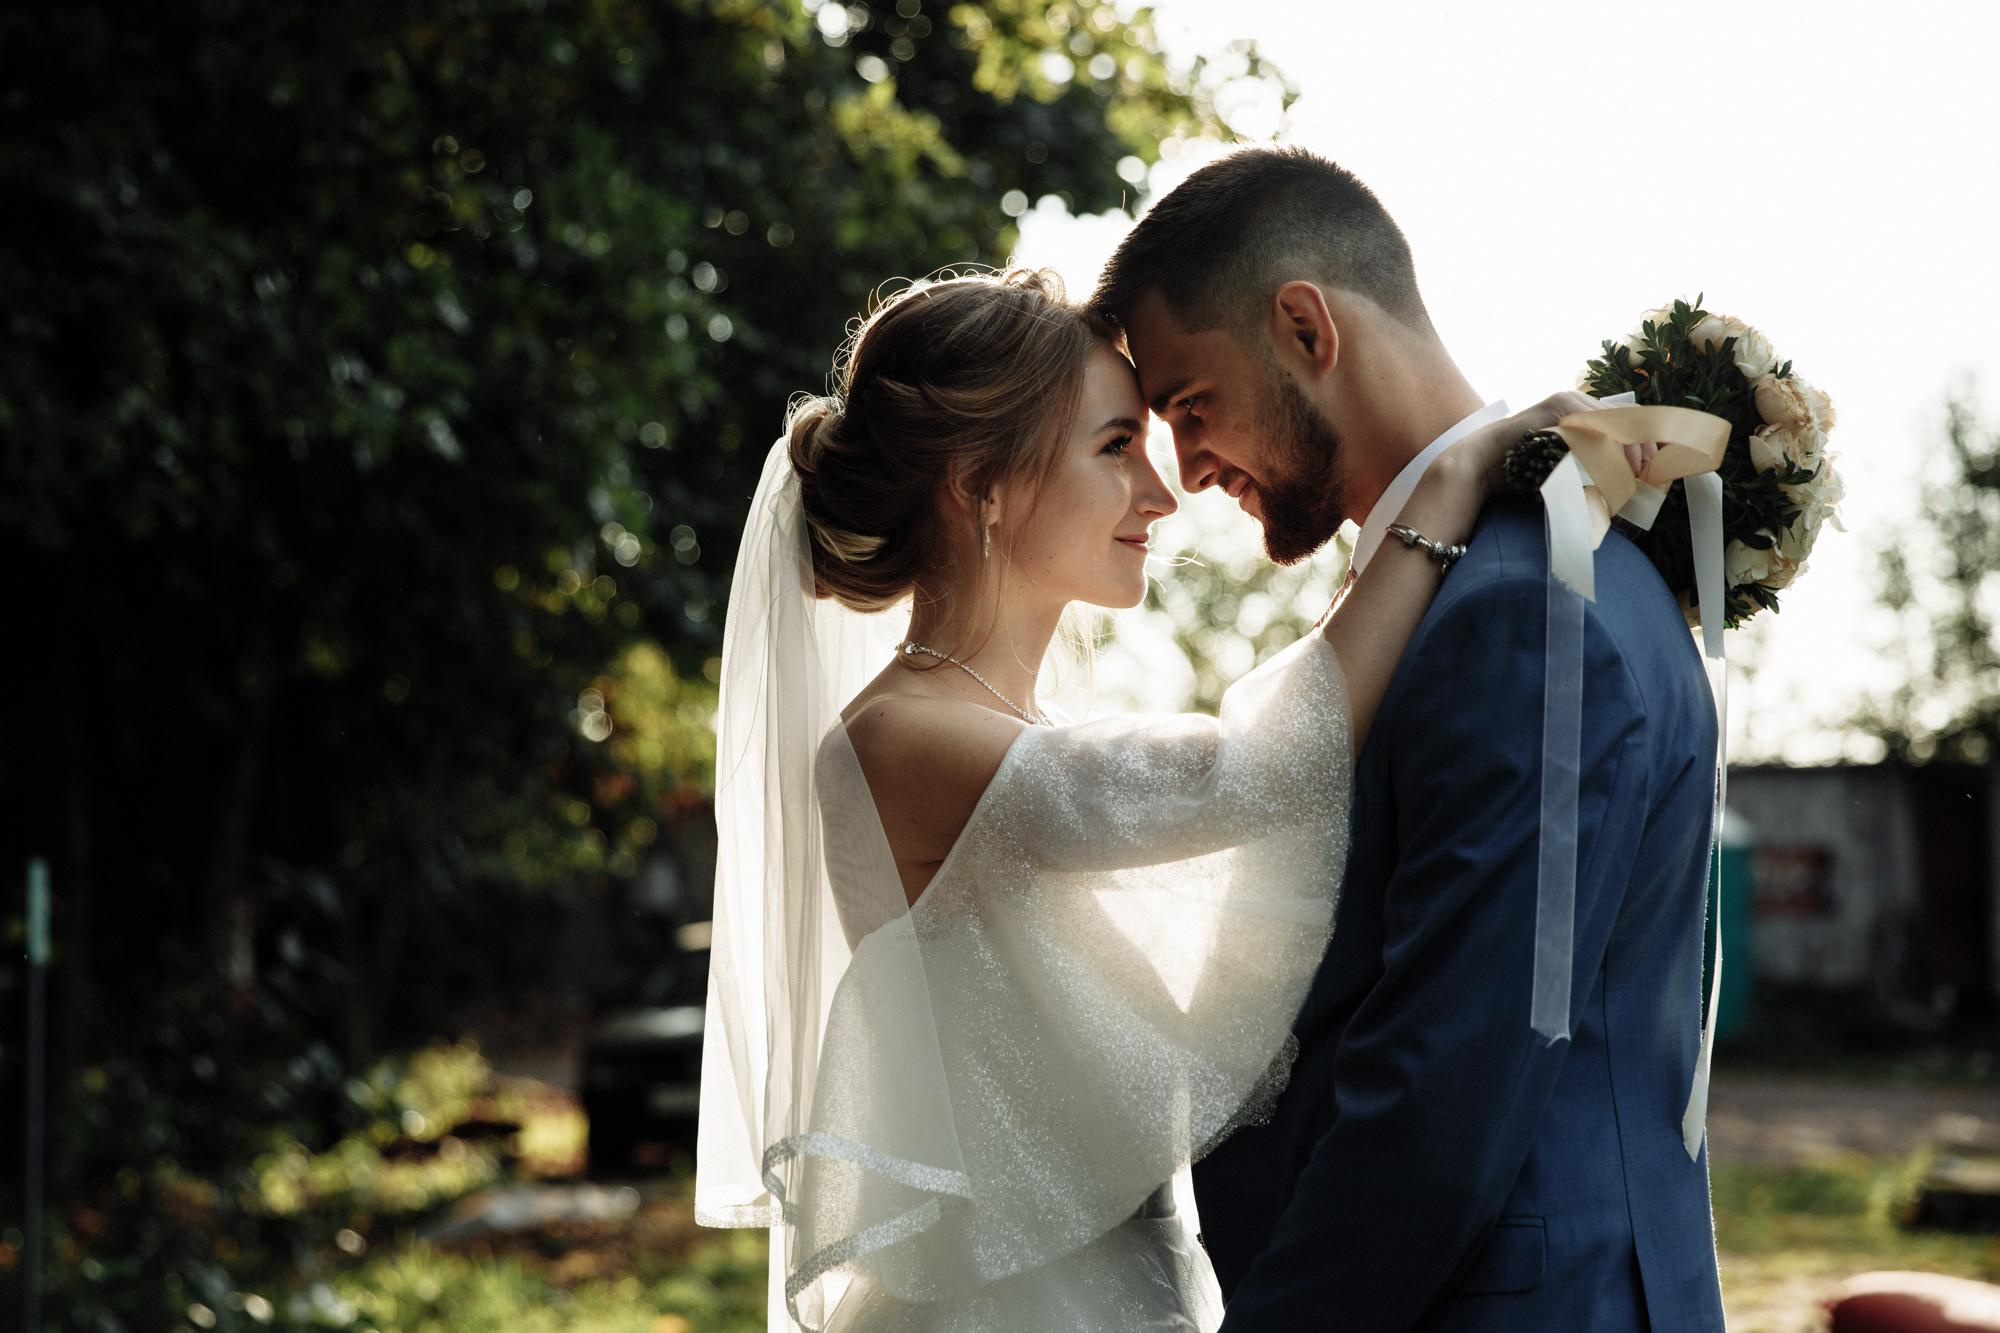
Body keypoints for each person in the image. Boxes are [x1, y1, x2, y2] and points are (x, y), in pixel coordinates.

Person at [696, 262, 1664, 1331]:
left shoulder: (1012, 737)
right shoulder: (901, 737)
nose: (1161, 495)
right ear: (982, 485)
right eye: (1115, 447)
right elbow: (1249, 775)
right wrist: (1446, 480)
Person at [1090, 145, 1726, 1331]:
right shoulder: (1521, 569)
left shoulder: (1514, 608)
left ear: (1302, 327)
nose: (1182, 469)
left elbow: (1445, 1090)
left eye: (1188, 405)